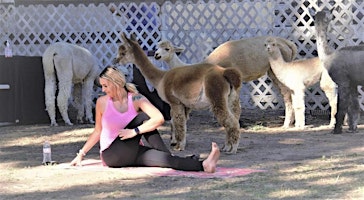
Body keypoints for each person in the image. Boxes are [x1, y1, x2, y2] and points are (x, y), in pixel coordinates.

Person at [70, 66, 220, 173]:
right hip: (112, 155)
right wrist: (81, 154)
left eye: (105, 86)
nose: (103, 90)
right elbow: (98, 131)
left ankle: (204, 165)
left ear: (116, 83)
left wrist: (134, 132)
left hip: (133, 151)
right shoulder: (102, 102)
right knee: (142, 117)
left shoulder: (136, 99)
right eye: (102, 86)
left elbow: (159, 118)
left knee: (168, 161)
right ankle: (179, 156)